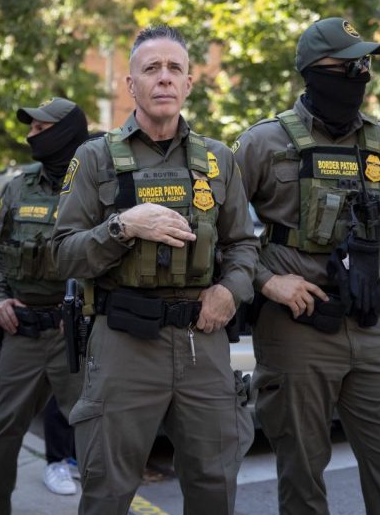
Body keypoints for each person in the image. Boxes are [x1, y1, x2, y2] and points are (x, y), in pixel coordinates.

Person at [232, 17, 380, 514]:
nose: (361, 75)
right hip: (297, 329)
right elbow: (221, 230)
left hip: (372, 325)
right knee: (302, 479)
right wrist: (267, 281)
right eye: (348, 66)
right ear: (313, 71)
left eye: (365, 65)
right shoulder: (262, 143)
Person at [52, 25, 259, 515]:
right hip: (124, 342)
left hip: (201, 342)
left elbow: (243, 246)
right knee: (106, 490)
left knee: (214, 485)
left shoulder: (218, 159)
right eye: (151, 69)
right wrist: (122, 226)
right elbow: (60, 253)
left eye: (174, 69)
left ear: (189, 84)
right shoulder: (95, 157)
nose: (163, 78)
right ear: (131, 85)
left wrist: (230, 291)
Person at [0, 97, 88, 514]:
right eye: (31, 129)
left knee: (96, 435)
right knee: (3, 428)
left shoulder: (96, 182)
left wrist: (87, 310)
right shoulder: (19, 186)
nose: (30, 136)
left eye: (40, 129)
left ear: (66, 132)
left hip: (75, 331)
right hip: (24, 330)